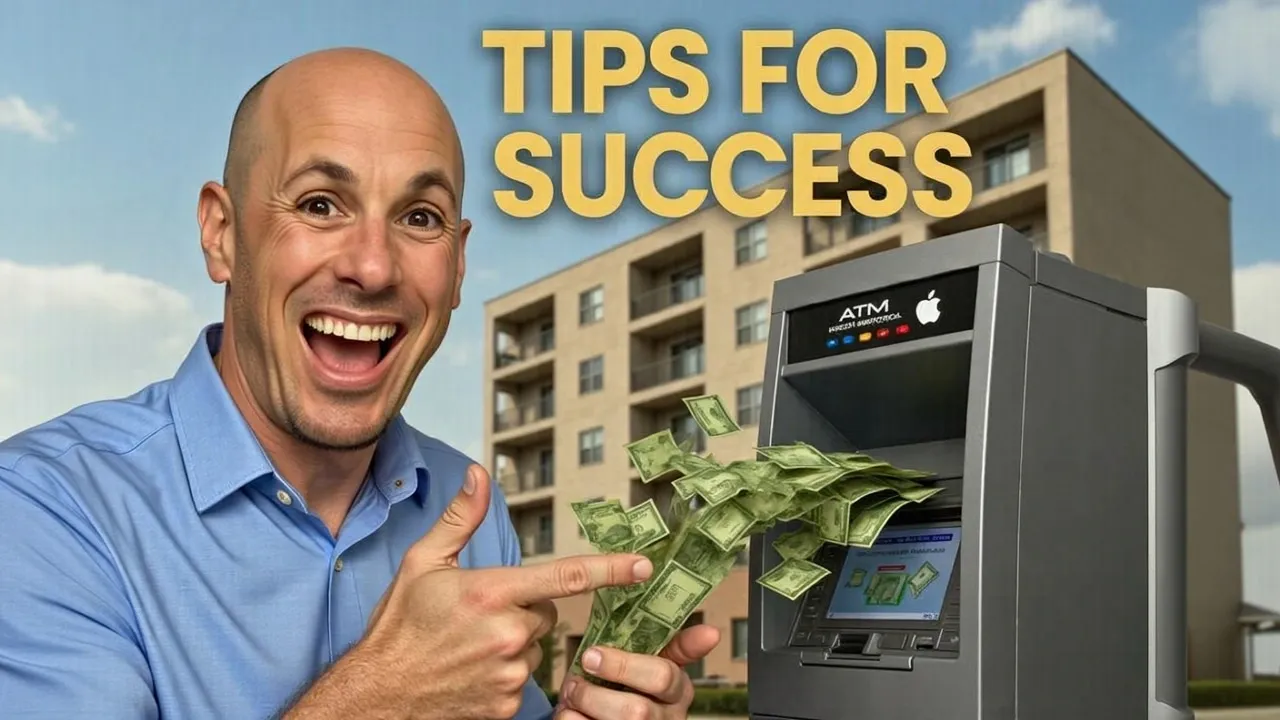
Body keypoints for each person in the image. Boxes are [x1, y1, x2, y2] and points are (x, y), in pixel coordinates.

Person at [0, 48, 719, 719]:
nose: (373, 268)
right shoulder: (41, 508)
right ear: (221, 234)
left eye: (420, 217)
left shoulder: (469, 503)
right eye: (320, 204)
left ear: (458, 265)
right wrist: (383, 696)